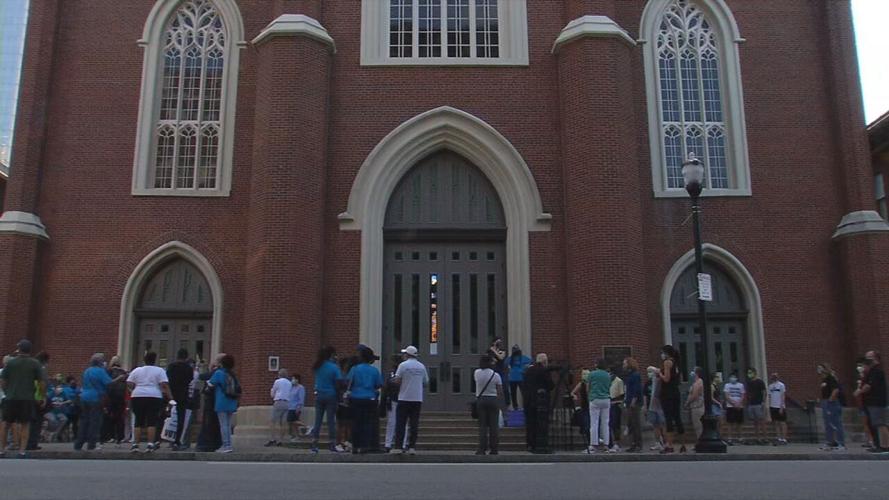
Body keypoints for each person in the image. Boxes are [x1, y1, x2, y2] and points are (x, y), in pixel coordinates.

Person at [0, 340, 45, 458]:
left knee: (6, 423)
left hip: (11, 397)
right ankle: (22, 451)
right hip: (27, 398)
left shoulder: (11, 363)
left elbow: (3, 381)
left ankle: (2, 450)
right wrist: (41, 396)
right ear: (30, 350)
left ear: (19, 349)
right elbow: (41, 382)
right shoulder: (35, 364)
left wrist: (7, 391)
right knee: (25, 424)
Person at [126, 351, 173, 453]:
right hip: (154, 395)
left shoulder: (137, 370)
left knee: (138, 421)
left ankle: (135, 444)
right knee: (152, 420)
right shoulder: (159, 370)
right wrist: (170, 398)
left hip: (138, 395)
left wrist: (133, 389)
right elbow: (164, 385)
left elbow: (129, 382)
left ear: (144, 360)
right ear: (154, 360)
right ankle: (150, 444)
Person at [75, 353, 123, 451]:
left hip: (84, 397)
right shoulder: (100, 371)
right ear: (100, 362)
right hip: (95, 398)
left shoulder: (87, 371)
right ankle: (91, 444)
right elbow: (109, 383)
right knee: (95, 422)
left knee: (84, 421)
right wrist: (119, 378)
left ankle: (78, 444)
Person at [346, 345, 383, 455]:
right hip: (370, 398)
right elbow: (378, 384)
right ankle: (365, 445)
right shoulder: (374, 370)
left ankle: (355, 445)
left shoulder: (354, 369)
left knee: (356, 422)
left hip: (356, 397)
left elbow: (349, 382)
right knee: (368, 423)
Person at [392, 345, 428, 454]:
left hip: (404, 397)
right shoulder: (421, 366)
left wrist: (393, 381)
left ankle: (399, 446)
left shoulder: (403, 366)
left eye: (404, 354)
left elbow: (397, 381)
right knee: (414, 423)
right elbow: (425, 382)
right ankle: (412, 447)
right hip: (417, 398)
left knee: (401, 423)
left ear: (407, 355)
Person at [310, 346, 342, 453]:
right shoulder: (333, 367)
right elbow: (338, 382)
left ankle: (314, 443)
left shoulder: (318, 366)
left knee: (318, 420)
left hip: (319, 394)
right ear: (331, 355)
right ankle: (332, 443)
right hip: (331, 394)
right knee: (331, 421)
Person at [856, 350, 889, 453]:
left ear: (875, 359)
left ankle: (886, 446)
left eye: (869, 357)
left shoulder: (877, 371)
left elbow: (869, 386)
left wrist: (859, 391)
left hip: (877, 402)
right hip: (869, 402)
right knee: (873, 424)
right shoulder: (869, 372)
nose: (866, 360)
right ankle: (877, 445)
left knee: (880, 423)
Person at [207, 354, 239, 453]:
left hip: (221, 401)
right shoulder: (232, 374)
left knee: (223, 425)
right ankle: (229, 444)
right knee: (228, 425)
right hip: (232, 401)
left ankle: (226, 445)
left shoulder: (219, 373)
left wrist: (211, 368)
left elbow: (210, 383)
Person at [523, 353, 555, 453]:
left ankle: (530, 444)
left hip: (529, 400)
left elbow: (524, 385)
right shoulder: (544, 371)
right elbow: (550, 385)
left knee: (530, 423)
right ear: (544, 361)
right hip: (541, 401)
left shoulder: (528, 371)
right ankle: (541, 444)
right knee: (541, 423)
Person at [657, 345, 685, 453]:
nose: (661, 355)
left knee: (668, 418)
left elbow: (666, 379)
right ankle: (683, 445)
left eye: (662, 353)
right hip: (675, 392)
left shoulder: (667, 362)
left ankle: (669, 444)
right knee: (677, 418)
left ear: (666, 353)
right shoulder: (677, 363)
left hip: (667, 393)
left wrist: (659, 373)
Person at [474, 354, 503, 455]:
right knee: (493, 426)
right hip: (493, 399)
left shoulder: (477, 373)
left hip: (481, 399)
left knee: (482, 426)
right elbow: (500, 391)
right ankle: (494, 449)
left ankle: (482, 449)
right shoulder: (495, 375)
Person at [165, 348, 193, 450]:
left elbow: (167, 379)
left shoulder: (171, 366)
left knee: (168, 416)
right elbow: (190, 379)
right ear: (186, 357)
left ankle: (163, 439)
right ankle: (177, 440)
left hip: (171, 394)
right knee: (181, 418)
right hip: (183, 394)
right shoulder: (188, 368)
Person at [195, 354, 224, 452]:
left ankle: (207, 444)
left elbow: (202, 377)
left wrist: (206, 368)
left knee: (210, 422)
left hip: (212, 401)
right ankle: (217, 443)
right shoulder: (225, 372)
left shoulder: (217, 372)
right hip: (218, 401)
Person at [581, 359, 611, 453]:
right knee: (605, 423)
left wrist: (589, 396)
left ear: (597, 365)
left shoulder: (592, 374)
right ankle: (606, 444)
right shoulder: (607, 375)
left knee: (594, 422)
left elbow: (588, 387)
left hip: (595, 399)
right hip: (606, 399)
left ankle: (593, 444)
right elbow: (609, 386)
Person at [382, 354, 408, 452]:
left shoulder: (398, 373)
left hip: (398, 399)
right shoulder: (394, 373)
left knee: (393, 423)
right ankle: (399, 443)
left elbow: (389, 385)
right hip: (398, 399)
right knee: (396, 423)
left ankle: (391, 443)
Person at [817, 363, 845, 451]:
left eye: (820, 368)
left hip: (832, 403)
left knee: (836, 423)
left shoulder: (830, 378)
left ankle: (841, 443)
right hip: (825, 402)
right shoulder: (824, 380)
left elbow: (836, 390)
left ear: (825, 369)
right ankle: (830, 442)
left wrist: (830, 400)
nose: (818, 370)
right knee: (828, 423)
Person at [26, 351, 50, 451]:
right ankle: (33, 443)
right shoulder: (41, 369)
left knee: (29, 421)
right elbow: (42, 383)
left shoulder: (29, 367)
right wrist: (43, 397)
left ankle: (27, 443)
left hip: (28, 397)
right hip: (38, 397)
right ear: (45, 360)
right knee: (37, 422)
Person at [103, 356, 128, 445]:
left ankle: (110, 436)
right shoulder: (124, 373)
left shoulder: (108, 372)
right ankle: (120, 437)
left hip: (110, 397)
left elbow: (107, 383)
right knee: (119, 417)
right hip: (120, 397)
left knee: (109, 417)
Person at [266, 368, 292, 447]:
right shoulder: (289, 383)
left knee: (272, 421)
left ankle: (272, 439)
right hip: (287, 403)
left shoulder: (277, 381)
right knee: (283, 423)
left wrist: (272, 393)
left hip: (279, 401)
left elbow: (273, 393)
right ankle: (280, 440)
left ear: (279, 375)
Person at [622, 357, 643, 452]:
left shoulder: (635, 375)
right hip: (628, 401)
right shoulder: (629, 376)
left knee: (635, 424)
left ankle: (638, 444)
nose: (623, 366)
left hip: (633, 403)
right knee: (631, 424)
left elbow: (636, 389)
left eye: (625, 363)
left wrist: (633, 401)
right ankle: (633, 443)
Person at [645, 365, 666, 452]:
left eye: (651, 372)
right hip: (652, 406)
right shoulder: (647, 383)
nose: (649, 374)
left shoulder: (660, 381)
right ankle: (657, 442)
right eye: (648, 372)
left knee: (663, 424)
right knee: (655, 425)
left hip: (660, 406)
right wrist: (646, 407)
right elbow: (645, 395)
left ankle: (665, 442)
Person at [746, 368, 768, 444]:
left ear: (755, 373)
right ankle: (757, 438)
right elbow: (748, 392)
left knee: (762, 421)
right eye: (748, 373)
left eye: (750, 372)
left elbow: (764, 392)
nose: (749, 374)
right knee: (755, 422)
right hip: (751, 403)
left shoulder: (760, 382)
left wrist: (763, 402)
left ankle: (765, 438)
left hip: (759, 403)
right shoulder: (749, 382)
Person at [723, 372, 746, 445]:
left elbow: (742, 395)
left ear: (737, 378)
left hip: (739, 406)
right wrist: (733, 403)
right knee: (730, 423)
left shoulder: (741, 385)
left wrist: (739, 403)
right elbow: (726, 396)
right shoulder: (727, 385)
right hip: (730, 406)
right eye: (731, 377)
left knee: (739, 423)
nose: (733, 378)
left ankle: (740, 437)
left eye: (734, 377)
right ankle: (730, 438)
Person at [507, 345, 531, 411]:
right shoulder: (523, 358)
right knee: (524, 393)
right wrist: (525, 368)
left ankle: (515, 407)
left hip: (512, 378)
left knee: (513, 393)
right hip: (520, 377)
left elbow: (504, 363)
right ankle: (525, 406)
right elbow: (531, 361)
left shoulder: (510, 359)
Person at [608, 366, 625, 452]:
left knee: (615, 425)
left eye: (611, 373)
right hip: (608, 404)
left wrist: (613, 399)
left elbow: (622, 394)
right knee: (609, 424)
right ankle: (610, 443)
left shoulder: (619, 381)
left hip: (615, 404)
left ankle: (617, 443)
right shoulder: (607, 381)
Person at [487, 338, 508, 407]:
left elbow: (501, 358)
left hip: (501, 371)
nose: (499, 344)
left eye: (500, 342)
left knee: (503, 386)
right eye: (497, 342)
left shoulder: (502, 350)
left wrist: (494, 351)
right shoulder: (489, 351)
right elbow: (490, 359)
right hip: (492, 371)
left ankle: (505, 404)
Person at [767, 373, 788, 445]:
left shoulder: (781, 385)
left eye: (775, 376)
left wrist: (781, 406)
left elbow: (783, 396)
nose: (774, 377)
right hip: (773, 406)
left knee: (782, 423)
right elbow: (769, 397)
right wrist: (769, 406)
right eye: (773, 376)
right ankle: (778, 437)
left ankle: (784, 438)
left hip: (780, 406)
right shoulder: (770, 386)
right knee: (776, 423)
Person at [686, 366, 705, 439]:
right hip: (697, 406)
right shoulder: (697, 382)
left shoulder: (698, 382)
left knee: (698, 426)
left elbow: (695, 395)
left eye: (693, 371)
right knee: (698, 426)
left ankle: (701, 442)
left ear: (697, 373)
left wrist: (687, 403)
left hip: (697, 407)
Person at [287, 374, 306, 442]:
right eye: (292, 379)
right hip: (290, 407)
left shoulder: (300, 388)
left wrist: (299, 407)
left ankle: (306, 426)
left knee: (292, 421)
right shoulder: (292, 388)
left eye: (294, 379)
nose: (293, 380)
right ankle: (297, 436)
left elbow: (301, 398)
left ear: (297, 380)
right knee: (292, 423)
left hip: (296, 407)